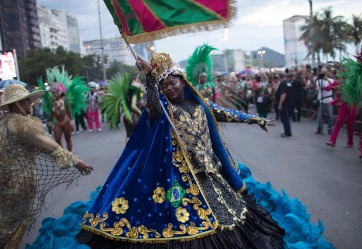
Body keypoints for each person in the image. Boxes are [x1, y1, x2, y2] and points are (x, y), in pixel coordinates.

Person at [76, 52, 288, 248]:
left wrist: (256, 120)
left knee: (228, 215)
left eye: (172, 83)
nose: (169, 88)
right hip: (182, 175)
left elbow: (227, 114)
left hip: (209, 171)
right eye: (165, 86)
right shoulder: (165, 110)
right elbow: (152, 104)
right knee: (183, 219)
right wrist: (151, 77)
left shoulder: (201, 105)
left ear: (183, 82)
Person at [0, 84, 93, 249]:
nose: (30, 104)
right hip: (20, 184)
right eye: (26, 101)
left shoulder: (3, 123)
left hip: (3, 182)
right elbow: (50, 146)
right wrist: (77, 162)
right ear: (15, 104)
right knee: (15, 225)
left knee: (5, 222)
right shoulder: (21, 124)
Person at [325, 78, 357, 148]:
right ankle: (332, 141)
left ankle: (350, 142)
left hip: (352, 104)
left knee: (350, 124)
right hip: (343, 104)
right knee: (338, 121)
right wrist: (334, 87)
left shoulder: (354, 81)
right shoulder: (338, 81)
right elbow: (326, 88)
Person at [48, 83, 74, 151]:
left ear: (60, 92)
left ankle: (70, 154)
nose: (54, 94)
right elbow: (51, 113)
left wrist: (71, 122)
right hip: (57, 122)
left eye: (56, 92)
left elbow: (69, 112)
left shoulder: (65, 101)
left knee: (68, 139)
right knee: (57, 139)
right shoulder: (52, 103)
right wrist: (50, 121)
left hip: (66, 122)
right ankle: (63, 155)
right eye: (53, 93)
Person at [315, 68, 334, 135]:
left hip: (329, 100)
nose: (324, 73)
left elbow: (333, 85)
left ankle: (330, 129)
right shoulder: (318, 81)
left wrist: (327, 79)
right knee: (319, 116)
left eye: (325, 72)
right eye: (323, 72)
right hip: (321, 100)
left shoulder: (331, 80)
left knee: (330, 116)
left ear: (327, 73)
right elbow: (319, 88)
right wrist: (320, 78)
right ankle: (319, 128)